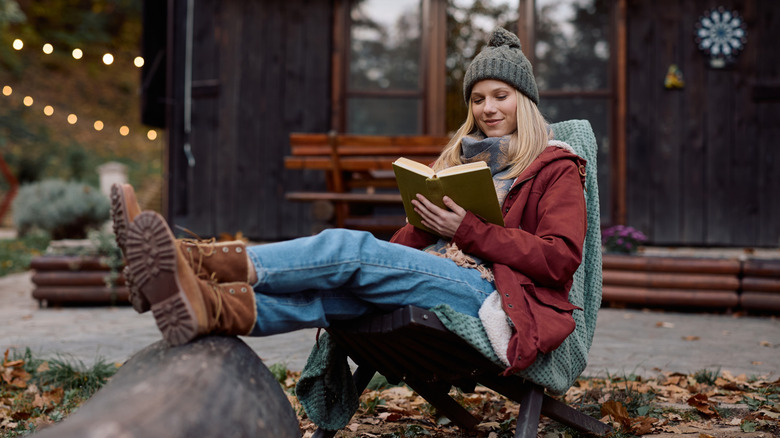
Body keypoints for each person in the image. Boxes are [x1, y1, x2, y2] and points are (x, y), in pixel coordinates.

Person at [111, 27, 587, 375]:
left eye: (500, 96)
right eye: (478, 99)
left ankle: (184, 261)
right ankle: (208, 308)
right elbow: (410, 250)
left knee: (350, 251)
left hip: (496, 299)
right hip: (444, 276)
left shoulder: (554, 167)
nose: (487, 109)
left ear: (523, 100)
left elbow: (560, 259)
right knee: (333, 294)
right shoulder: (462, 160)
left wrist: (465, 230)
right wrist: (424, 219)